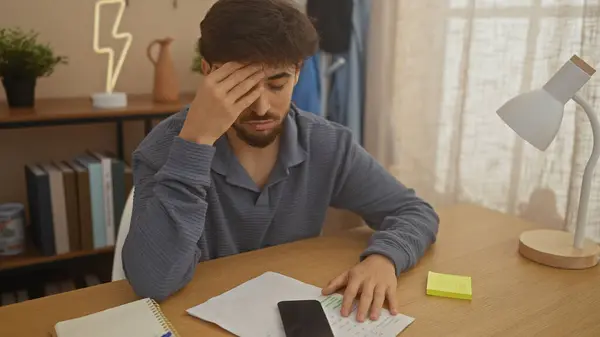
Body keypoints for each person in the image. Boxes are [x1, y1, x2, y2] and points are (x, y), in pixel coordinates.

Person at [122, 0, 439, 323]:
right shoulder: (164, 148)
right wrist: (196, 143)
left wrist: (384, 258)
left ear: (298, 72)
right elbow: (154, 281)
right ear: (208, 72)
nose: (261, 107)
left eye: (277, 84)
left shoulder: (325, 143)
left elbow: (414, 211)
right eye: (241, 87)